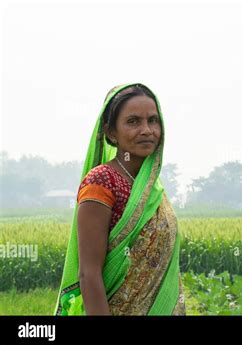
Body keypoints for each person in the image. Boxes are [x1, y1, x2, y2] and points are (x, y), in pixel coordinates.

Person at [54, 83, 185, 315]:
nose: (147, 130)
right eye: (133, 121)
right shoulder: (102, 182)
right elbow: (89, 274)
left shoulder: (154, 189)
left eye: (153, 120)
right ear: (111, 132)